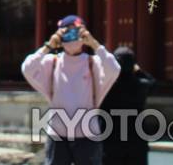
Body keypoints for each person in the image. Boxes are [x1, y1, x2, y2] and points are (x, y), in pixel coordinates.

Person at [21, 14, 121, 165]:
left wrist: (95, 44)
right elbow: (27, 68)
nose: (72, 37)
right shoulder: (52, 62)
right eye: (66, 32)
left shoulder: (93, 63)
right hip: (58, 135)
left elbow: (114, 69)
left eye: (76, 32)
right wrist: (48, 46)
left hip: (88, 135)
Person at [101, 46, 155, 165]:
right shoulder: (142, 85)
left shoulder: (107, 87)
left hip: (110, 140)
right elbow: (152, 83)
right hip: (136, 141)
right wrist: (139, 70)